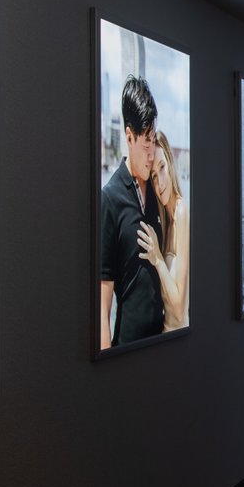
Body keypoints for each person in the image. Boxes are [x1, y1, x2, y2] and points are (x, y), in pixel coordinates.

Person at [98, 76, 164, 349]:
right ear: (129, 137)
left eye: (153, 139)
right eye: (146, 142)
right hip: (128, 350)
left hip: (164, 342)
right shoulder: (110, 198)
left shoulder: (158, 189)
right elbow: (102, 307)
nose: (151, 153)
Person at [137, 131, 189, 331]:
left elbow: (178, 309)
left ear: (170, 163)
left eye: (162, 168)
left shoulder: (182, 212)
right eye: (154, 177)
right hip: (164, 338)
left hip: (179, 339)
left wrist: (157, 259)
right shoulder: (166, 222)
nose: (160, 183)